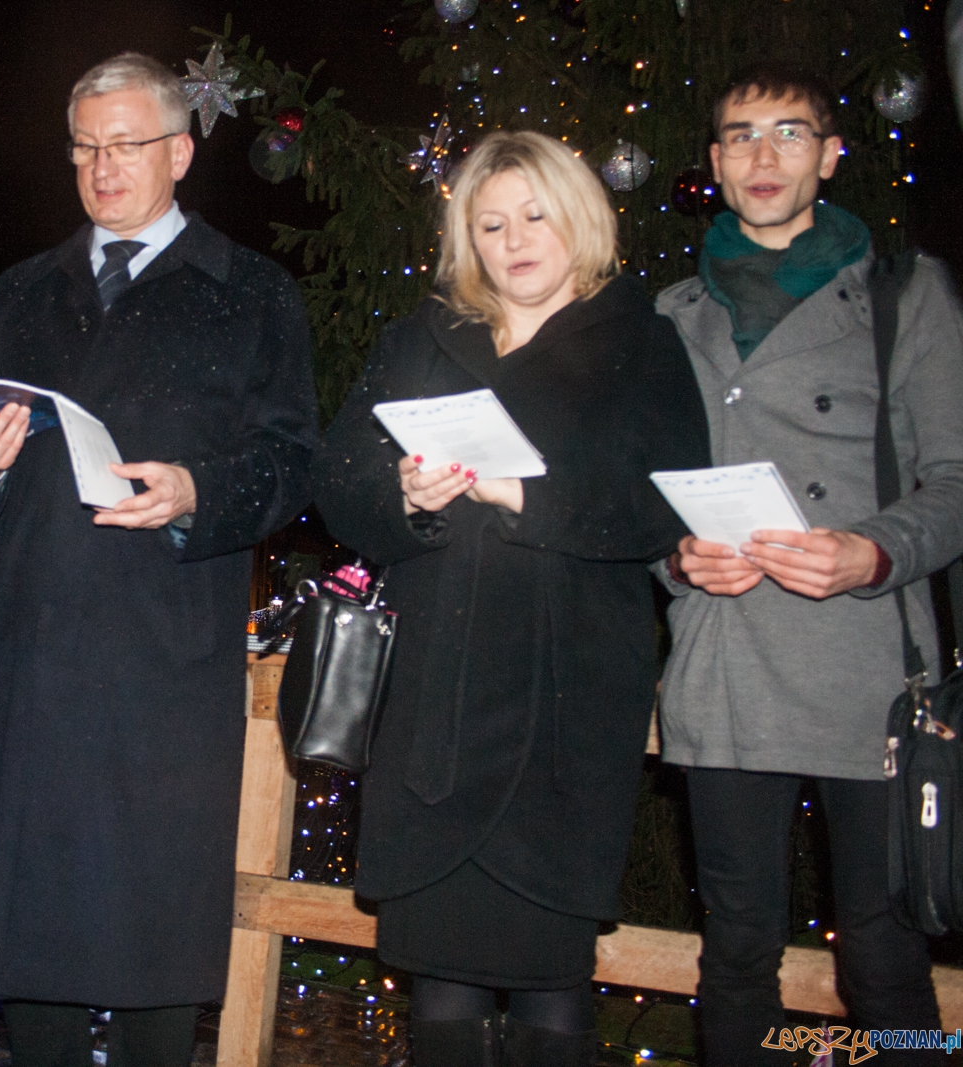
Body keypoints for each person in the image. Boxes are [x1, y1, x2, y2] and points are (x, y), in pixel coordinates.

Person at [0, 52, 317, 1067]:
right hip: (36, 649)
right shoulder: (21, 290)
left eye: (127, 145)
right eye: (85, 148)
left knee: (150, 940)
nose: (102, 167)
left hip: (162, 652)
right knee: (36, 932)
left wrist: (198, 493)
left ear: (180, 152)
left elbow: (290, 463)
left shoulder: (251, 293)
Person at [312, 131, 710, 1067]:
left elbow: (666, 504)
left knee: (546, 967)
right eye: (490, 223)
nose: (515, 239)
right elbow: (338, 475)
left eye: (536, 215)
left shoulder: (642, 341)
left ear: (581, 217)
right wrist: (401, 493)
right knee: (438, 965)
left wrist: (525, 495)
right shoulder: (423, 336)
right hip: (434, 699)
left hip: (564, 699)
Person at [656, 64, 963, 1066]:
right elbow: (635, 490)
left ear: (830, 156)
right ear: (712, 160)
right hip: (725, 652)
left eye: (789, 134)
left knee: (881, 949)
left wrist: (871, 548)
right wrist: (675, 557)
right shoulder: (669, 313)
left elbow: (958, 479)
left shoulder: (902, 297)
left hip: (863, 660)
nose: (761, 155)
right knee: (736, 946)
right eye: (740, 135)